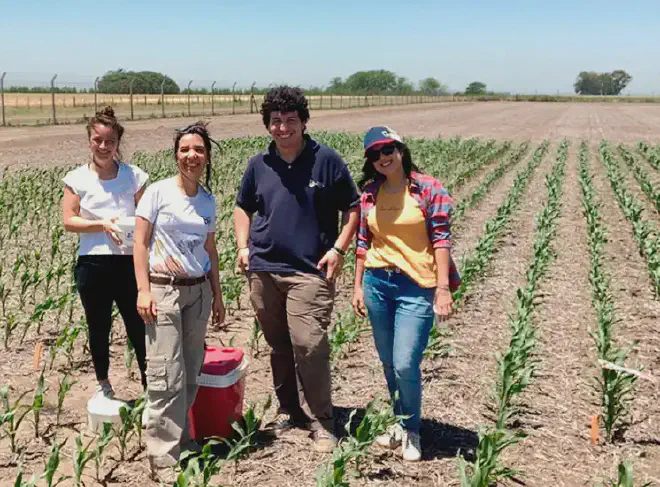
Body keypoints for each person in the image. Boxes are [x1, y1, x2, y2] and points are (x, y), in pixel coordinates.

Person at [233, 86, 360, 452]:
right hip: (264, 268)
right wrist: (243, 247)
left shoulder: (327, 160)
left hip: (309, 270)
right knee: (278, 345)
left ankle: (323, 420)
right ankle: (290, 410)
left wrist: (339, 248)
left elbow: (353, 207)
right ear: (267, 126)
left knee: (309, 343)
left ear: (304, 122)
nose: (283, 128)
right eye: (276, 121)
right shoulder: (259, 164)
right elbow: (243, 207)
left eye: (291, 120)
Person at [352, 126, 460, 462]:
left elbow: (441, 240)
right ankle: (400, 423)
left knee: (404, 363)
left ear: (400, 150)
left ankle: (412, 429)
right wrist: (357, 286)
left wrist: (443, 289)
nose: (383, 158)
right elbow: (362, 243)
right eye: (375, 154)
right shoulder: (370, 193)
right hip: (377, 283)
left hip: (417, 286)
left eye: (388, 150)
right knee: (388, 362)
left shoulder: (428, 189)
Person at [133, 121, 225, 478]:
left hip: (198, 291)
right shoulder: (157, 193)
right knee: (165, 374)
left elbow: (210, 249)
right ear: (176, 154)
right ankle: (162, 457)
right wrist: (143, 289)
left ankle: (182, 441)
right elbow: (139, 243)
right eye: (185, 149)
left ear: (207, 156)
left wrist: (217, 294)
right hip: (164, 291)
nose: (192, 156)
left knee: (189, 372)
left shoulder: (207, 199)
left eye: (198, 150)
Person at [62, 106, 148, 399]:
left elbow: (147, 216)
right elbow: (69, 220)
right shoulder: (76, 179)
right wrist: (102, 224)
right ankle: (103, 383)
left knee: (139, 326)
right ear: (89, 140)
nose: (102, 146)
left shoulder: (134, 176)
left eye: (109, 141)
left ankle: (152, 387)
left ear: (117, 143)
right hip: (93, 263)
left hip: (129, 263)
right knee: (98, 326)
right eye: (97, 140)